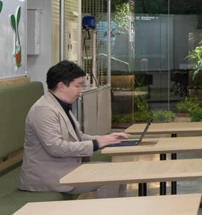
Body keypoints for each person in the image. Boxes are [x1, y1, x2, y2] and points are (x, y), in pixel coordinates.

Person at [20, 60, 130, 194]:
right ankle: (106, 209)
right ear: (61, 86)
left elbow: (78, 137)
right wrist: (95, 144)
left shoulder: (60, 104)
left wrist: (106, 139)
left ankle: (116, 208)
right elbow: (56, 148)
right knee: (109, 179)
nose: (80, 90)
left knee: (120, 173)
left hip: (66, 168)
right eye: (77, 86)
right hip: (49, 176)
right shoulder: (43, 110)